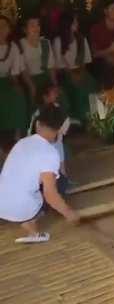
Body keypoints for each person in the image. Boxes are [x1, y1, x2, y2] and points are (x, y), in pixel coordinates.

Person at [0, 105, 79, 244]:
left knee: (22, 187)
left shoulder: (21, 142)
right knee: (57, 185)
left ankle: (27, 225)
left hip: (2, 204)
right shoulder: (50, 153)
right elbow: (50, 195)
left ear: (37, 124)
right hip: (21, 207)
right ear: (59, 130)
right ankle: (33, 229)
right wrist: (69, 213)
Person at [53, 12, 97, 125]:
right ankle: (80, 119)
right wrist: (72, 74)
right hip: (65, 73)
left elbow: (86, 61)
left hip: (81, 71)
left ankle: (97, 118)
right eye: (74, 22)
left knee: (92, 84)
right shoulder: (58, 41)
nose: (77, 24)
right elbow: (58, 66)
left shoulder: (82, 39)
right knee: (76, 88)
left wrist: (80, 73)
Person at [28, 83, 72, 192]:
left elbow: (66, 122)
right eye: (53, 93)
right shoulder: (37, 113)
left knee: (61, 162)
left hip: (57, 143)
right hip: (43, 146)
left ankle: (64, 179)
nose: (56, 95)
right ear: (45, 96)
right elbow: (31, 131)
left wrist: (59, 132)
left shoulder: (58, 108)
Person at [0, 15, 28, 137]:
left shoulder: (13, 47)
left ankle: (17, 134)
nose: (1, 29)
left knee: (18, 95)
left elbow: (14, 72)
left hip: (7, 81)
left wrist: (16, 84)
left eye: (4, 26)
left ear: (9, 29)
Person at [20, 15, 58, 103]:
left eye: (38, 25)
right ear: (25, 29)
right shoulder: (21, 45)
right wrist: (32, 87)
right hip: (30, 80)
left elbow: (51, 67)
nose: (36, 28)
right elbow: (23, 70)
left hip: (46, 79)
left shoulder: (45, 43)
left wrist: (55, 84)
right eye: (32, 25)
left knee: (58, 98)